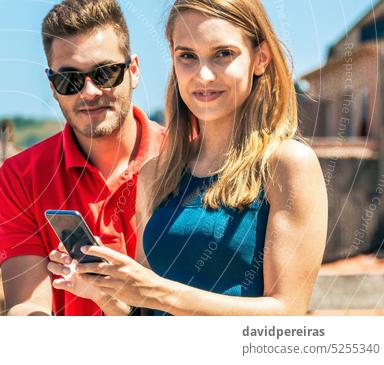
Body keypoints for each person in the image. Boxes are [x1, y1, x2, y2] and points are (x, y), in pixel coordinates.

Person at [48, 0, 328, 315]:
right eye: (187, 57)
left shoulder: (288, 164)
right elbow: (145, 316)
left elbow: (287, 314)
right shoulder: (157, 173)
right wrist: (103, 292)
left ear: (260, 58)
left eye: (223, 54)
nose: (203, 75)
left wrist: (157, 292)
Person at [0, 0, 165, 316]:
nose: (88, 92)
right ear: (53, 87)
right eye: (69, 80)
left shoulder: (188, 158)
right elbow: (28, 304)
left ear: (134, 70)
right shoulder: (21, 176)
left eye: (105, 73)